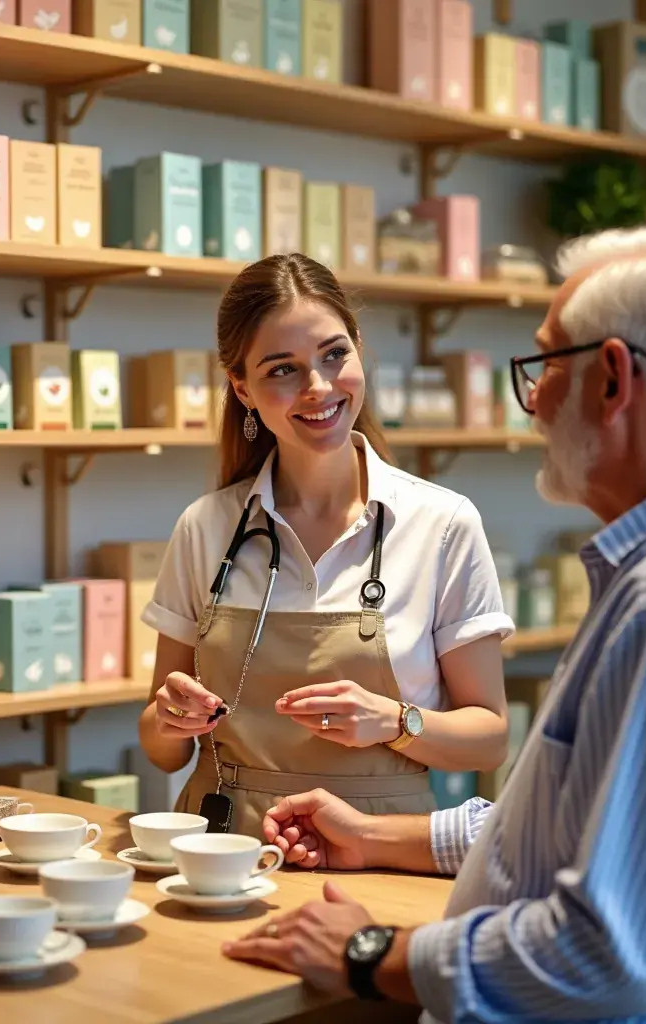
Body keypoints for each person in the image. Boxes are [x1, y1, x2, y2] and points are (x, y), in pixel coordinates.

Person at [223, 227, 646, 1021]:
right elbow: (571, 826)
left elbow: (610, 952)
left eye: (543, 368)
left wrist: (374, 954)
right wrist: (377, 839)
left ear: (611, 380)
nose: (533, 401)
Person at [138, 253, 514, 839]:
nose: (318, 387)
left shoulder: (443, 525)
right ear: (242, 388)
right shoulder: (205, 527)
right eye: (282, 369)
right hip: (222, 851)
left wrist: (392, 721)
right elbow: (162, 751)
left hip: (381, 848)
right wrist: (170, 718)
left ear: (359, 349)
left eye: (335, 354)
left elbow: (489, 737)